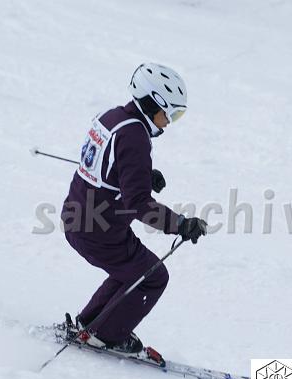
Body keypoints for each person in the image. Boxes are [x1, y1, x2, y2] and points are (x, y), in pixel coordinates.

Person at [61, 62, 207, 355]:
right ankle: (105, 335)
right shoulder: (135, 136)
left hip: (79, 218)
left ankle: (90, 324)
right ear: (154, 102)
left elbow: (107, 163)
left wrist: (141, 173)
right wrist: (180, 224)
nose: (169, 122)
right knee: (153, 276)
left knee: (132, 270)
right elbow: (138, 204)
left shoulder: (112, 117)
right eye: (171, 114)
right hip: (99, 231)